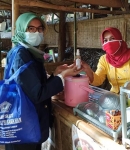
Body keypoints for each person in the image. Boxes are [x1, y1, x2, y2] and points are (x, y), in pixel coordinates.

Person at [4, 12, 82, 150]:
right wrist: (62, 76)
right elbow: (38, 93)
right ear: (22, 30)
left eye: (39, 28)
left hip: (27, 122)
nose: (36, 32)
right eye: (31, 29)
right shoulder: (22, 54)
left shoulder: (27, 52)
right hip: (25, 124)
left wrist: (56, 73)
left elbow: (34, 86)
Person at [82, 27, 130, 94]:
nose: (109, 43)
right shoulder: (104, 59)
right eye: (105, 40)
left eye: (112, 39)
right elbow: (98, 80)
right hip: (115, 97)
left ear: (120, 40)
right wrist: (88, 69)